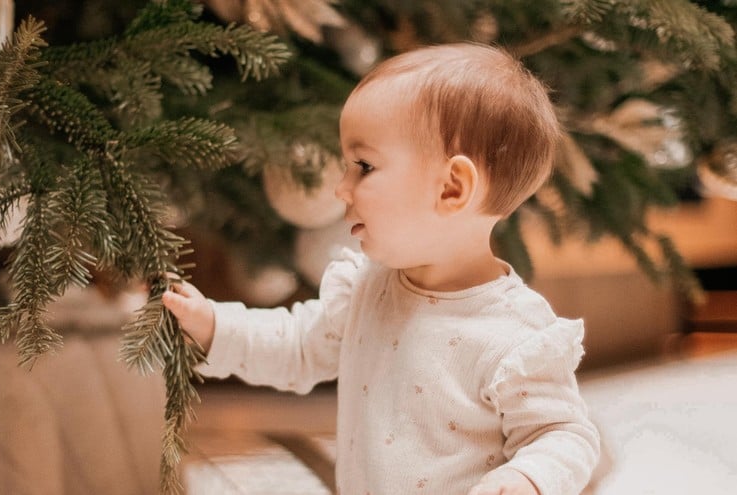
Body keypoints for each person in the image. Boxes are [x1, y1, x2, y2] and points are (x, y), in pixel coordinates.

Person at [163, 42, 601, 495]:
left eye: (364, 167)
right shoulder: (365, 292)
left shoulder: (516, 333)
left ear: (452, 188)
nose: (341, 189)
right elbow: (295, 346)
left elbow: (564, 434)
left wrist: (525, 478)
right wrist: (215, 327)